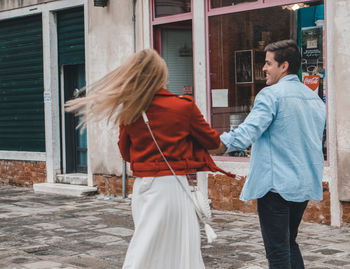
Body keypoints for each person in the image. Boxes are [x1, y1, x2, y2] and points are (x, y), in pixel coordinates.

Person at [65, 49, 233, 269]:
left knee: (148, 246)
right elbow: (213, 143)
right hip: (172, 188)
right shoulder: (183, 106)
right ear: (161, 76)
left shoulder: (132, 111)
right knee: (178, 248)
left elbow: (126, 154)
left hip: (144, 188)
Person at [211, 40, 326, 269]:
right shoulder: (314, 98)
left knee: (277, 251)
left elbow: (244, 135)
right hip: (302, 186)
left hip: (276, 187)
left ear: (284, 66)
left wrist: (208, 142)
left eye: (268, 63)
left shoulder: (270, 95)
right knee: (289, 243)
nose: (263, 68)